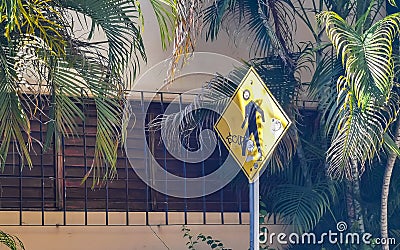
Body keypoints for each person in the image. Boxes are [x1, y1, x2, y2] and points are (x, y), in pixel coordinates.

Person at [241, 89, 265, 158]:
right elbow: (246, 117)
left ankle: (260, 152)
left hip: (254, 125)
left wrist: (263, 120)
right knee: (245, 139)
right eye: (245, 95)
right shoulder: (246, 106)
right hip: (249, 125)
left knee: (257, 139)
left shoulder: (253, 104)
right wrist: (242, 126)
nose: (246, 96)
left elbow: (261, 111)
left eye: (247, 94)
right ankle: (242, 154)